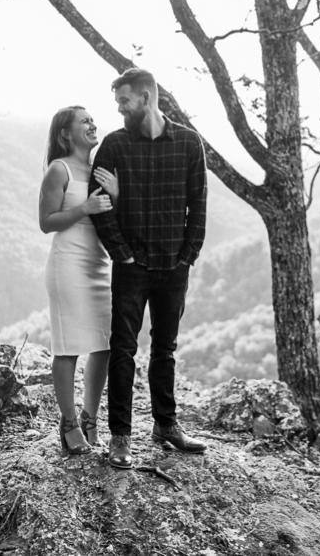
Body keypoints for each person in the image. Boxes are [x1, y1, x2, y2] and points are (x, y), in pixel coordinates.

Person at [89, 67, 208, 469]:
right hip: (132, 267)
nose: (119, 108)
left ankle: (166, 426)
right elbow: (99, 207)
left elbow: (199, 205)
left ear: (146, 98)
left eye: (124, 101)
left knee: (165, 349)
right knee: (123, 349)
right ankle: (120, 436)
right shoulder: (114, 146)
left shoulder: (189, 143)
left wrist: (187, 255)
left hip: (174, 267)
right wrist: (121, 254)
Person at [39, 106, 119, 455]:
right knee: (68, 345)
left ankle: (90, 417)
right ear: (65, 134)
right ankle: (69, 422)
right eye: (84, 121)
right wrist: (84, 208)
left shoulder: (100, 170)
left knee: (104, 344)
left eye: (92, 120)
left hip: (98, 264)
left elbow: (114, 215)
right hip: (67, 264)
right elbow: (46, 221)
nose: (92, 124)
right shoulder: (59, 170)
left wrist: (116, 195)